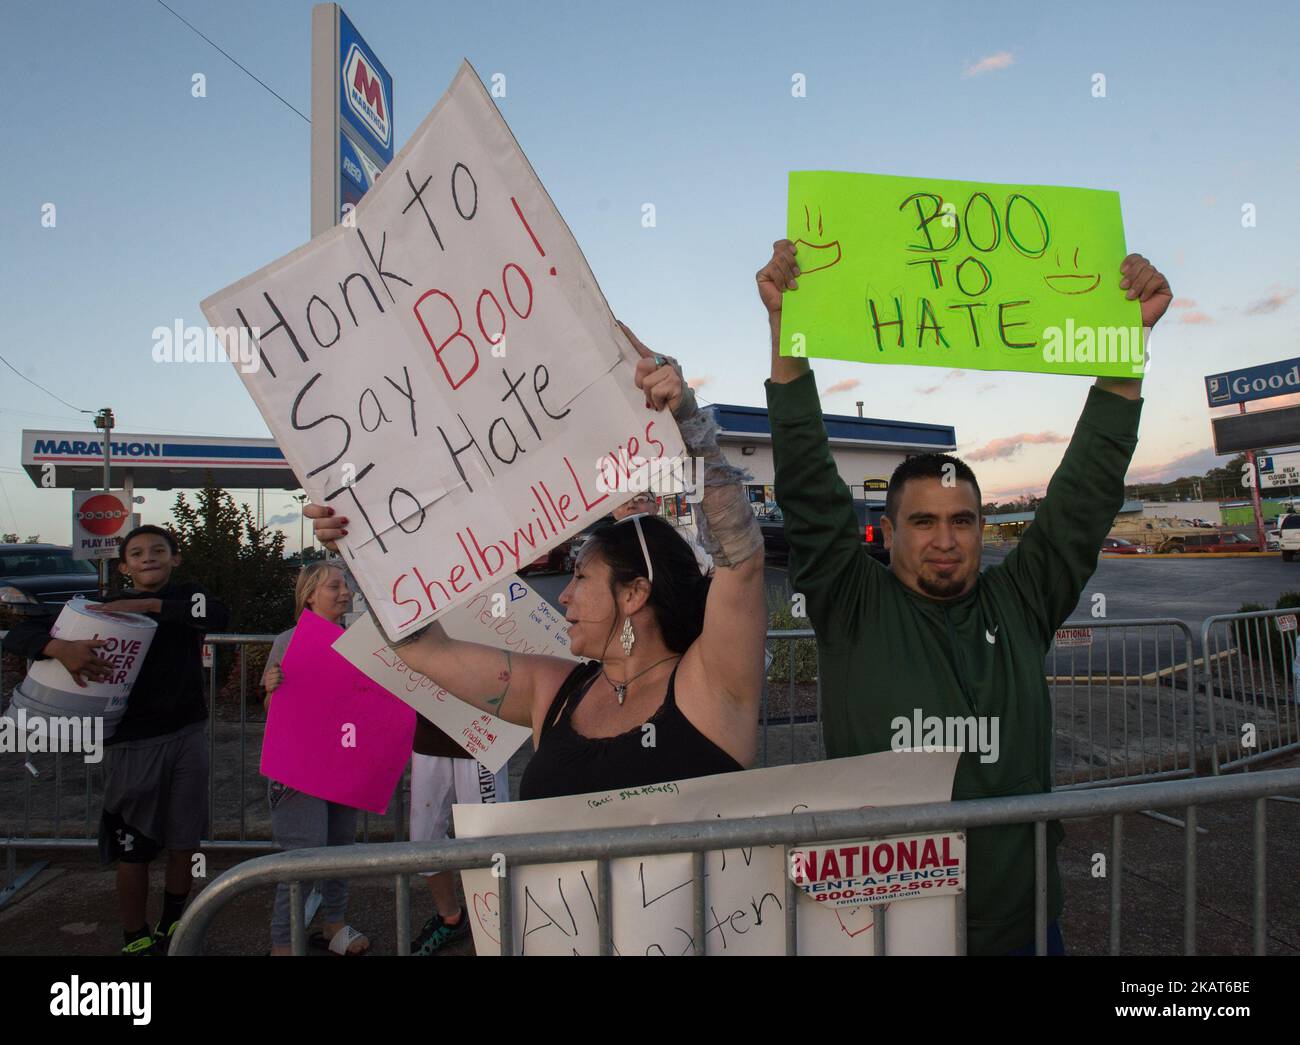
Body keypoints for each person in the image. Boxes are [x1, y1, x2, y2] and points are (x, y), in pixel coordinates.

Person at [756, 238, 1172, 955]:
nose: (945, 539)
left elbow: (1084, 495)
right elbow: (809, 487)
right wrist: (786, 333)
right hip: (884, 932)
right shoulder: (851, 604)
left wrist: (1124, 345)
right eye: (923, 521)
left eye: (963, 520)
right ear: (888, 532)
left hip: (1022, 928)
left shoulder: (1023, 601)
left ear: (983, 528)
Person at [305, 322, 766, 800]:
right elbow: (424, 650)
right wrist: (362, 547)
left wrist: (688, 423)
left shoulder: (712, 686)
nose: (564, 595)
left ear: (634, 593)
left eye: (582, 576)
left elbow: (740, 559)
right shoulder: (553, 691)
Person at [5, 524, 228, 955]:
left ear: (175, 558)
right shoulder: (103, 605)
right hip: (130, 743)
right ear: (124, 566)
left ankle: (173, 926)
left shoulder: (189, 596)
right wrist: (60, 649)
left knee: (185, 843)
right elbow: (20, 635)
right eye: (137, 553)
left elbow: (216, 616)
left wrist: (145, 605)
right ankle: (135, 936)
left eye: (158, 550)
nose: (149, 557)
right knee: (134, 850)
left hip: (187, 735)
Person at [262, 562, 371, 955]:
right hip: (299, 766)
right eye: (334, 586)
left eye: (345, 585)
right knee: (305, 853)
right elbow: (272, 710)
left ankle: (333, 923)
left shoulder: (356, 643)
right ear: (309, 595)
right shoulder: (288, 641)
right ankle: (282, 942)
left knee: (340, 848)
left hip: (342, 761)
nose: (344, 593)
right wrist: (271, 688)